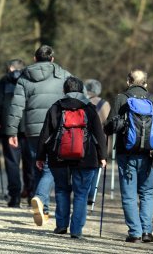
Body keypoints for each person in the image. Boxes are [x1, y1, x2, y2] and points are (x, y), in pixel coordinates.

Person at [4, 45, 74, 225]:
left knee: (39, 166)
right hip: (57, 127)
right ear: (52, 59)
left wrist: (12, 131)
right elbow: (76, 97)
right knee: (51, 166)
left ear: (35, 59)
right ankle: (41, 199)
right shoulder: (64, 75)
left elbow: (16, 106)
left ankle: (44, 210)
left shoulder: (24, 77)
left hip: (33, 130)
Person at [104, 69, 153, 243]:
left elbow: (109, 127)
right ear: (146, 84)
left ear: (128, 82)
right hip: (148, 155)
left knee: (128, 194)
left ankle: (134, 232)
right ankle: (147, 232)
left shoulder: (121, 99)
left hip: (126, 154)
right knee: (147, 192)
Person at [36, 77, 107, 239]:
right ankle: (76, 230)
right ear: (82, 90)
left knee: (61, 190)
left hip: (58, 156)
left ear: (64, 90)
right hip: (86, 157)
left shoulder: (56, 107)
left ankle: (61, 225)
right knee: (81, 194)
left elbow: (45, 134)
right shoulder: (89, 108)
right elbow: (99, 133)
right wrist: (103, 156)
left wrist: (40, 156)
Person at [0, 59, 25, 207]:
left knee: (12, 163)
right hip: (28, 127)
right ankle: (32, 194)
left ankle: (15, 197)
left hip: (8, 127)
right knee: (31, 162)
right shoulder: (29, 80)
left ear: (10, 68)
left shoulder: (2, 82)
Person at [84, 78, 110, 204]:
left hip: (81, 139)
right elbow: (108, 123)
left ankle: (81, 191)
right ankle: (90, 195)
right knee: (95, 167)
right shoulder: (103, 104)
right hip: (98, 141)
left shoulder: (80, 101)